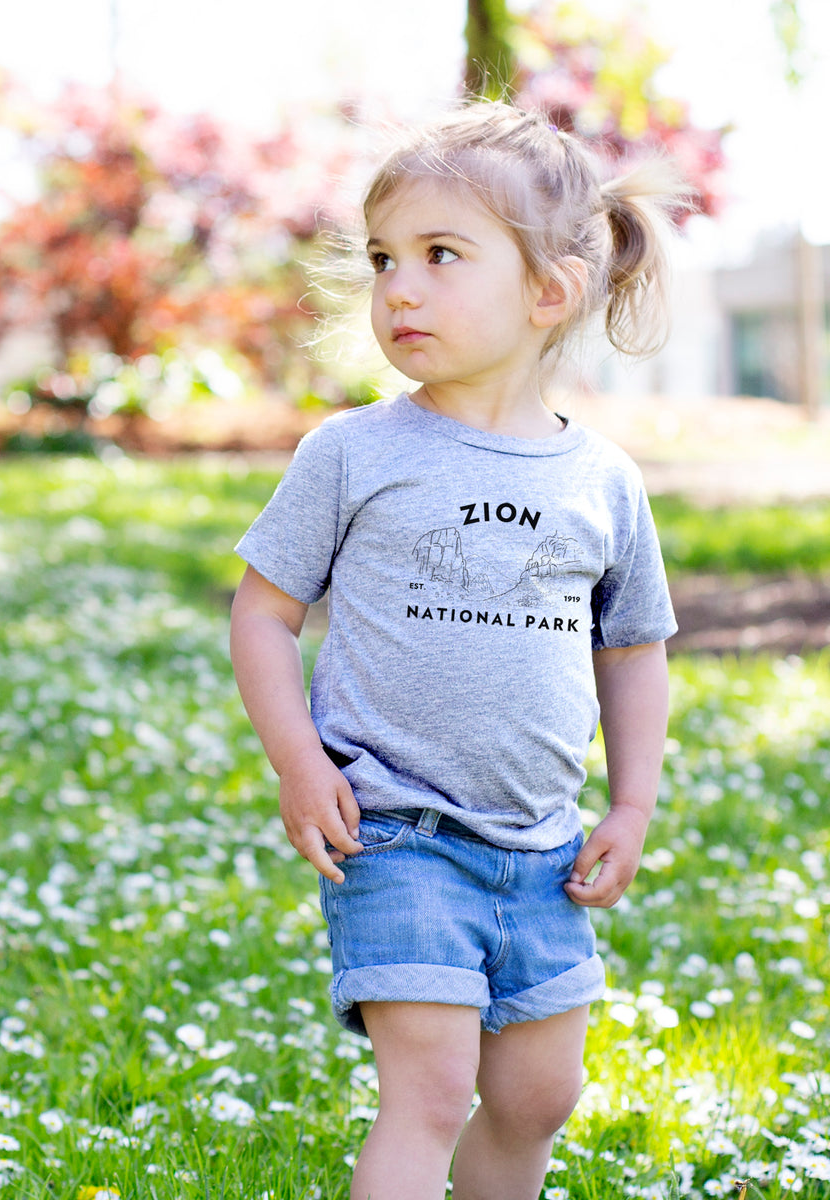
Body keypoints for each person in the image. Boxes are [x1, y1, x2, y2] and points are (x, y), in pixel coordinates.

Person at [229, 100, 683, 1200]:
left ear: (549, 291)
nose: (399, 287)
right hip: (396, 830)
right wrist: (300, 762)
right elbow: (263, 613)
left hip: (544, 850)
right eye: (385, 258)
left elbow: (632, 652)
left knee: (537, 1102)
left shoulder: (603, 482)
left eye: (441, 255)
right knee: (429, 1092)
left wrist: (629, 808)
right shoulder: (354, 452)